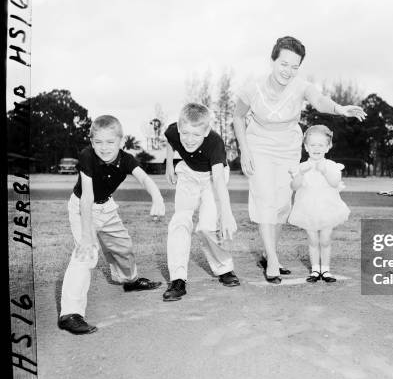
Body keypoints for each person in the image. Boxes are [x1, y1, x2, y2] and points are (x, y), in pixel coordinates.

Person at [233, 36, 366, 284]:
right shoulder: (252, 88)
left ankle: (267, 251)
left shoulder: (301, 86)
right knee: (264, 199)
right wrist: (245, 150)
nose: (289, 71)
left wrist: (340, 109)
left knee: (283, 203)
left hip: (288, 147)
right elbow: (238, 117)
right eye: (284, 64)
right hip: (259, 145)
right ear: (273, 60)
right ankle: (272, 260)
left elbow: (320, 101)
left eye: (295, 66)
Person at [58, 115, 165, 335]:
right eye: (99, 142)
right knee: (86, 254)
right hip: (82, 207)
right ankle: (70, 313)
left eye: (110, 142)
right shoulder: (87, 156)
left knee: (123, 247)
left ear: (121, 141)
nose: (104, 147)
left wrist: (158, 197)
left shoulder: (126, 159)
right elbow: (87, 198)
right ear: (91, 141)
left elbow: (144, 179)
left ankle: (129, 281)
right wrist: (87, 236)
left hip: (106, 207)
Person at [162, 103, 239, 301]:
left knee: (207, 227)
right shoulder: (173, 130)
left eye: (196, 135)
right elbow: (170, 140)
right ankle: (177, 279)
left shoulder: (214, 142)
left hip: (212, 178)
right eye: (185, 133)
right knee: (180, 221)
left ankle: (224, 268)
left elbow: (219, 181)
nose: (189, 140)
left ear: (206, 131)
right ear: (179, 128)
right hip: (188, 173)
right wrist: (169, 163)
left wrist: (227, 214)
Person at [288, 125, 350, 283]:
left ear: (328, 147)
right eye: (312, 145)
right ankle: (315, 269)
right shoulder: (302, 167)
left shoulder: (331, 166)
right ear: (306, 147)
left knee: (325, 239)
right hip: (308, 209)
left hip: (327, 208)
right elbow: (294, 187)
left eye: (321, 145)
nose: (316, 148)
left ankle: (326, 270)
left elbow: (335, 183)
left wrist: (325, 171)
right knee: (313, 240)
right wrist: (300, 174)